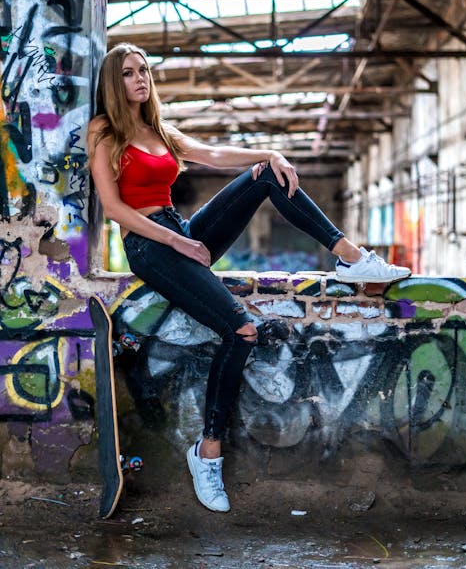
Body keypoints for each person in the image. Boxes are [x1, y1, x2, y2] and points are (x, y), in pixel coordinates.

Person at [88, 42, 411, 514]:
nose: (140, 79)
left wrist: (270, 151)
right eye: (128, 73)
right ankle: (207, 452)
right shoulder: (104, 131)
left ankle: (349, 257)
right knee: (242, 330)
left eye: (144, 70)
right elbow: (114, 207)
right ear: (113, 83)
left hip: (180, 230)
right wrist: (178, 243)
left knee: (265, 175)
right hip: (148, 246)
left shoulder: (158, 129)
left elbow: (214, 153)